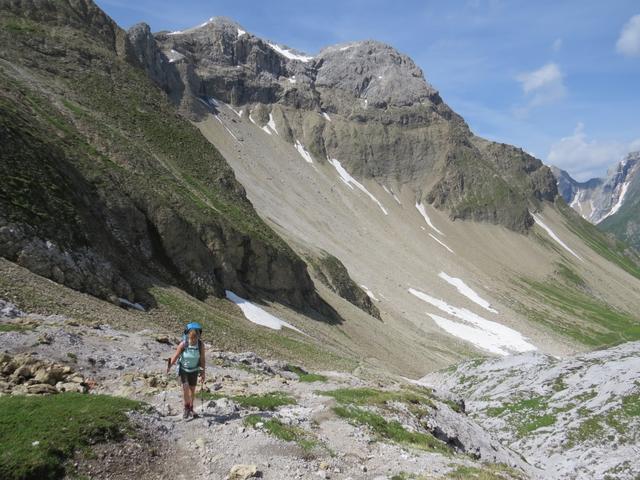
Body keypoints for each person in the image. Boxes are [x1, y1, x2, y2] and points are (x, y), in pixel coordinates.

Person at [167, 322, 206, 419]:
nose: (194, 340)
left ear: (198, 336)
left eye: (196, 337)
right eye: (192, 338)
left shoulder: (200, 345)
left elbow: (202, 359)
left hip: (194, 370)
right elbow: (175, 356)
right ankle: (186, 407)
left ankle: (191, 408)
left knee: (192, 390)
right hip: (183, 370)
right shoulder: (183, 344)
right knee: (185, 388)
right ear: (188, 335)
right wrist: (169, 366)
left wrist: (203, 372)